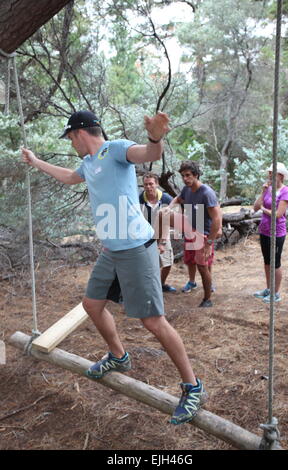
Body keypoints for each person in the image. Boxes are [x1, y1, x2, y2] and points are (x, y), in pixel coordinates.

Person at [21, 110, 207, 425]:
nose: (71, 144)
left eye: (69, 138)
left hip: (136, 249)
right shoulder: (88, 163)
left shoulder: (116, 149)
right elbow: (69, 176)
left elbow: (148, 153)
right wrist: (36, 161)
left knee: (153, 322)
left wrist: (155, 137)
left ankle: (193, 387)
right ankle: (119, 357)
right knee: (92, 304)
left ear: (79, 133)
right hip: (112, 251)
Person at [169, 161, 222, 307]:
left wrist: (209, 242)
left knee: (203, 266)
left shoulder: (206, 193)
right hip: (191, 230)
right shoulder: (187, 189)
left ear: (196, 175)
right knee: (191, 261)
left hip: (203, 234)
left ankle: (207, 299)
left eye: (188, 175)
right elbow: (179, 198)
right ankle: (193, 283)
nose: (185, 179)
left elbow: (216, 217)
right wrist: (170, 207)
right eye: (183, 176)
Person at [253, 162, 288, 303]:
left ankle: (276, 293)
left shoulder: (285, 191)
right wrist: (263, 192)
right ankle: (269, 289)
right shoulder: (268, 189)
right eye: (269, 173)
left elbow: (278, 214)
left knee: (275, 262)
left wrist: (263, 209)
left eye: (272, 173)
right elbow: (255, 207)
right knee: (267, 261)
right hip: (264, 230)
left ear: (280, 176)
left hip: (277, 232)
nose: (269, 175)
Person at [139, 172, 176, 293]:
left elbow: (173, 217)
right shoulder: (139, 199)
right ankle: (146, 288)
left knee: (167, 262)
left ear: (157, 184)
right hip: (144, 236)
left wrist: (163, 241)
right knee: (145, 265)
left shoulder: (166, 199)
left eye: (151, 184)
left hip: (163, 234)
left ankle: (161, 284)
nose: (148, 187)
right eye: (146, 184)